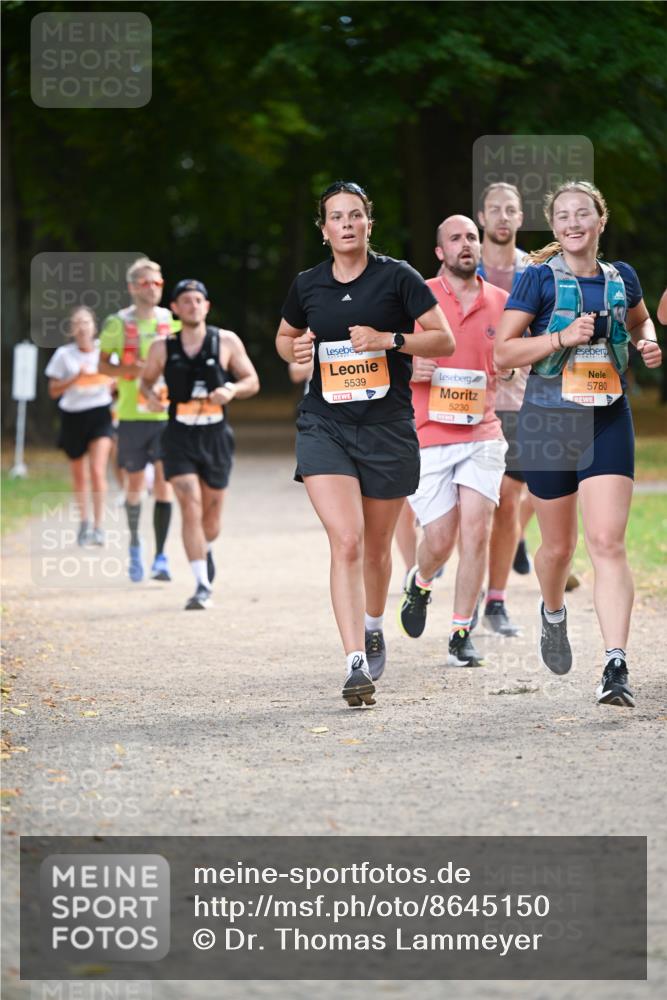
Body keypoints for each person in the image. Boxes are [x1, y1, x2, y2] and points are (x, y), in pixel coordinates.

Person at [276, 181, 454, 707]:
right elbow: (285, 337)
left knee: (376, 550)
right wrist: (297, 348)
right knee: (347, 541)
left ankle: (374, 624)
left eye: (356, 215)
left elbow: (442, 339)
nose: (347, 224)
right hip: (324, 426)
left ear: (368, 223)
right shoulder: (308, 284)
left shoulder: (396, 278)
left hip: (386, 428)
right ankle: (355, 661)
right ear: (324, 228)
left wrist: (389, 340)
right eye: (336, 216)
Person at [494, 180, 662, 707]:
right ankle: (552, 611)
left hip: (608, 418)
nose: (572, 223)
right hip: (547, 425)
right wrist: (561, 338)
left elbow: (640, 322)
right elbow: (503, 353)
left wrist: (649, 341)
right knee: (559, 549)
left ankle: (615, 664)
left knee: (608, 542)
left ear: (600, 221)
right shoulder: (537, 279)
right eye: (562, 215)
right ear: (555, 225)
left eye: (582, 214)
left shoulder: (622, 277)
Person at [399, 215, 509, 667]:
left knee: (477, 530)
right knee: (440, 539)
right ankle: (420, 580)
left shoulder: (503, 301)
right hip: (428, 435)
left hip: (482, 432)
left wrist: (512, 366)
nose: (466, 244)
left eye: (471, 237)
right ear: (440, 253)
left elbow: (515, 353)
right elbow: (381, 348)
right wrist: (412, 365)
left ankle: (461, 631)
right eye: (455, 239)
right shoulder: (416, 295)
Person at [141, 279, 260, 610]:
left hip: (215, 435)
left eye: (198, 300)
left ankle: (205, 549)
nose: (193, 305)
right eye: (186, 301)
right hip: (178, 435)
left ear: (206, 306)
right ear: (175, 309)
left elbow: (252, 380)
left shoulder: (225, 341)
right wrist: (151, 398)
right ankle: (201, 585)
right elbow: (146, 382)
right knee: (189, 503)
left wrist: (232, 390)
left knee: (211, 519)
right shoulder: (162, 347)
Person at [99, 258, 179, 583]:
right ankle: (135, 545)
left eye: (157, 283)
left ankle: (161, 556)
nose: (152, 288)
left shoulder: (171, 321)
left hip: (164, 414)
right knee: (134, 486)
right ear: (133, 287)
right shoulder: (117, 323)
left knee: (164, 484)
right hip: (131, 415)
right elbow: (103, 365)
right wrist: (132, 371)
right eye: (145, 283)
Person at [475, 182, 529, 634]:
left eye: (510, 210)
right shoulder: (459, 266)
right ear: (481, 217)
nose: (503, 217)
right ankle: (468, 592)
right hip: (463, 396)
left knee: (509, 499)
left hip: (518, 398)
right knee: (469, 504)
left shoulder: (537, 271)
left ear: (520, 217)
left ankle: (496, 599)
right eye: (495, 209)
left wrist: (513, 365)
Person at [45, 306, 114, 545]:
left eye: (86, 322)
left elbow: (116, 383)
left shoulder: (105, 353)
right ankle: (83, 522)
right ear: (72, 330)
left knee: (97, 470)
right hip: (73, 416)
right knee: (79, 475)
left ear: (94, 327)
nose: (83, 327)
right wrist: (76, 378)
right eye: (78, 323)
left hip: (100, 414)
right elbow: (53, 391)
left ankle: (98, 526)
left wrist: (113, 382)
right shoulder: (64, 355)